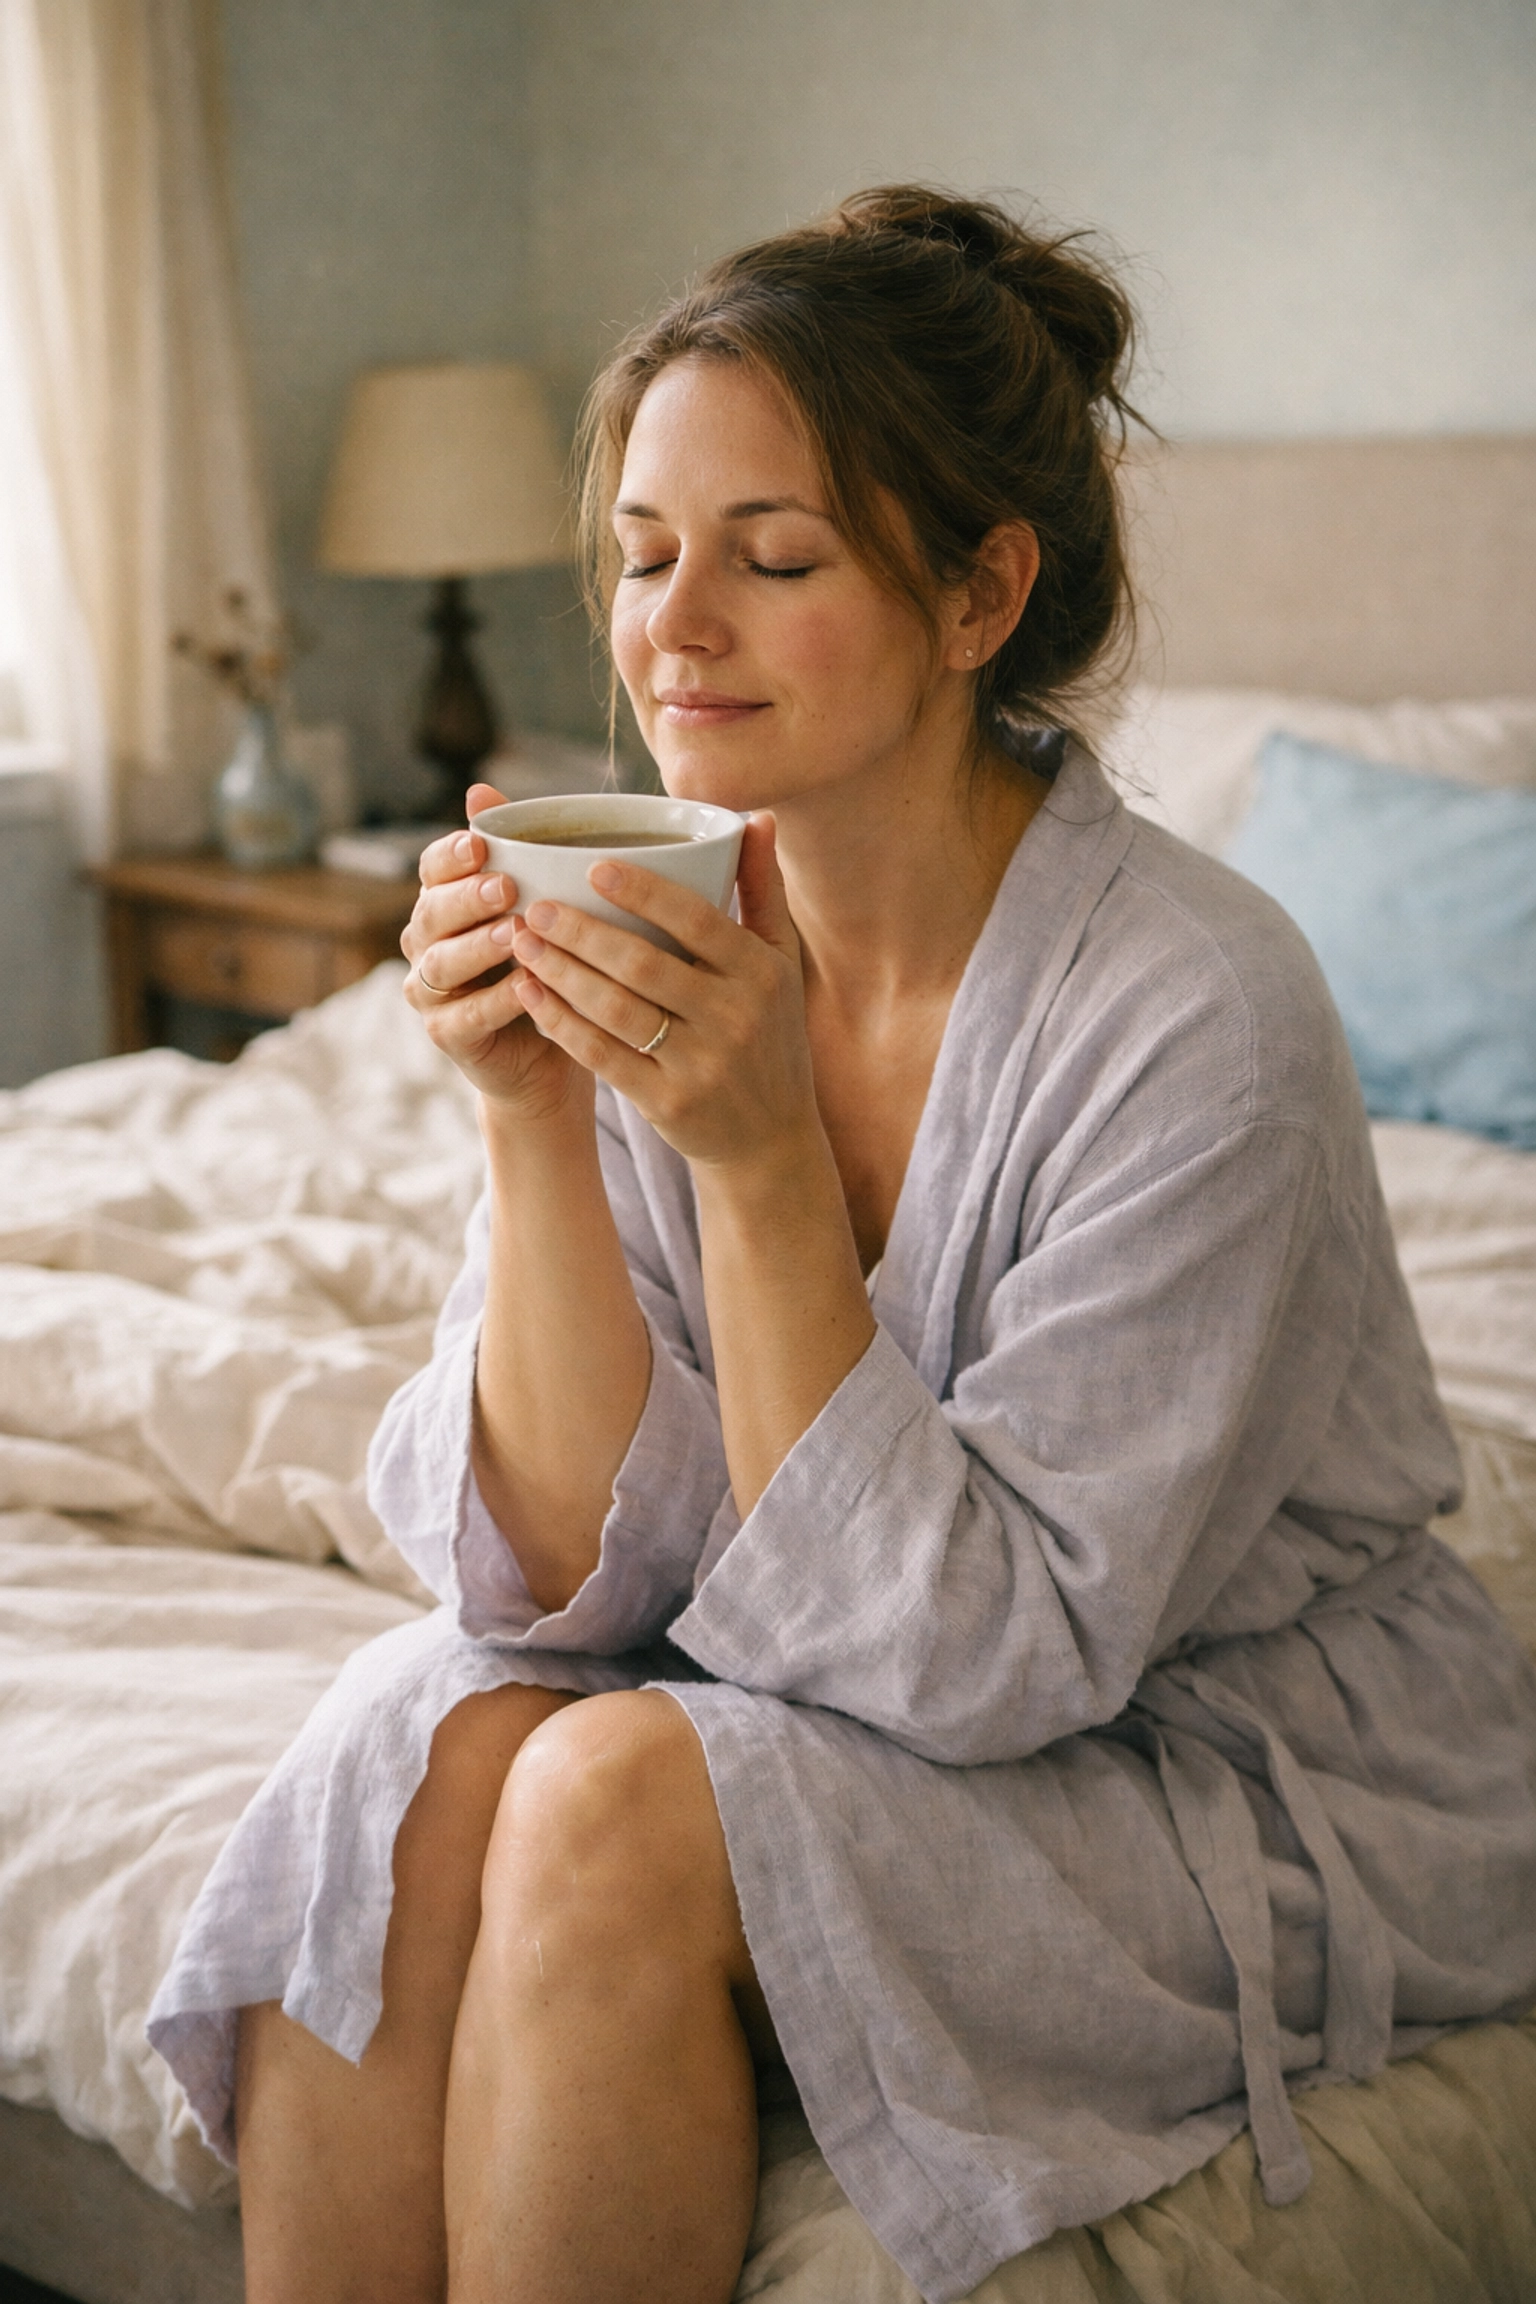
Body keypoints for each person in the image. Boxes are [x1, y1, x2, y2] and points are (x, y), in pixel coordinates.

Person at [149, 186, 1536, 2304]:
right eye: (644, 555)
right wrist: (531, 1119)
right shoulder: (671, 917)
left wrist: (760, 1158)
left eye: (773, 559)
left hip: (1225, 1760)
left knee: (608, 1803)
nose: (674, 629)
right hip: (900, 1677)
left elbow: (978, 1666)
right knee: (416, 1749)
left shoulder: (1201, 1017)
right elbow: (553, 1567)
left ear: (982, 594)